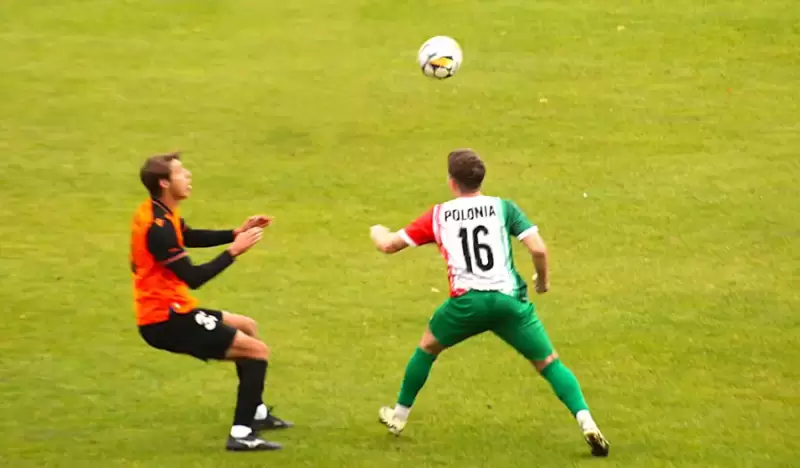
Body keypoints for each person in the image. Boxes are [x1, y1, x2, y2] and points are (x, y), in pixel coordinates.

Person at [368, 148, 610, 457]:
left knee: (428, 347)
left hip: (466, 304)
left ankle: (399, 416)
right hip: (509, 303)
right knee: (549, 363)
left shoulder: (439, 215)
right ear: (480, 179)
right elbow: (538, 249)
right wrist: (542, 281)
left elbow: (389, 246)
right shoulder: (503, 208)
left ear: (452, 182)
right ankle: (587, 422)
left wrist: (378, 231)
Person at [129, 152, 292, 452]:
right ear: (164, 182)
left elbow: (188, 236)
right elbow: (194, 277)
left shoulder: (160, 212)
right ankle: (241, 434)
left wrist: (236, 232)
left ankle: (256, 412)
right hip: (166, 320)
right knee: (257, 352)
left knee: (247, 327)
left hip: (174, 309)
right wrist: (234, 251)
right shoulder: (158, 227)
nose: (188, 175)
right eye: (181, 172)